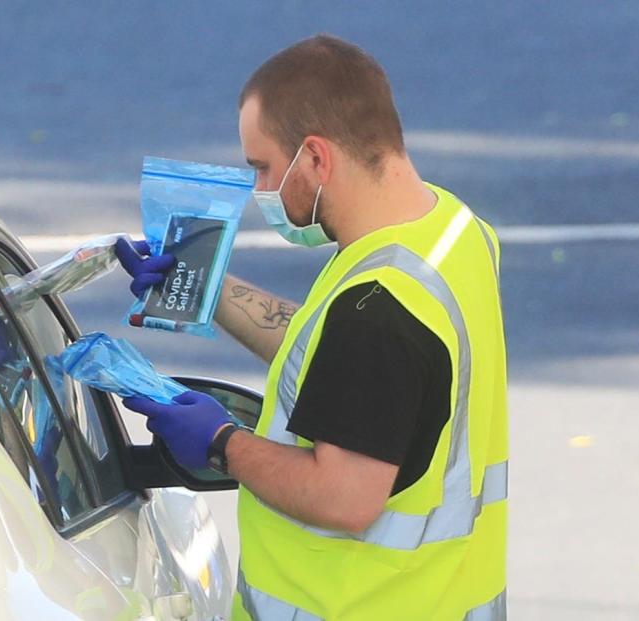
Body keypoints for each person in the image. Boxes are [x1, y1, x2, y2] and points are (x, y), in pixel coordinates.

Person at [115, 35, 508, 620]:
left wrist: (223, 444)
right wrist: (207, 286)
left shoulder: (377, 311)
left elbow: (344, 497)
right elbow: (349, 374)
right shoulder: (451, 232)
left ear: (317, 157)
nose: (260, 190)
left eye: (263, 167)